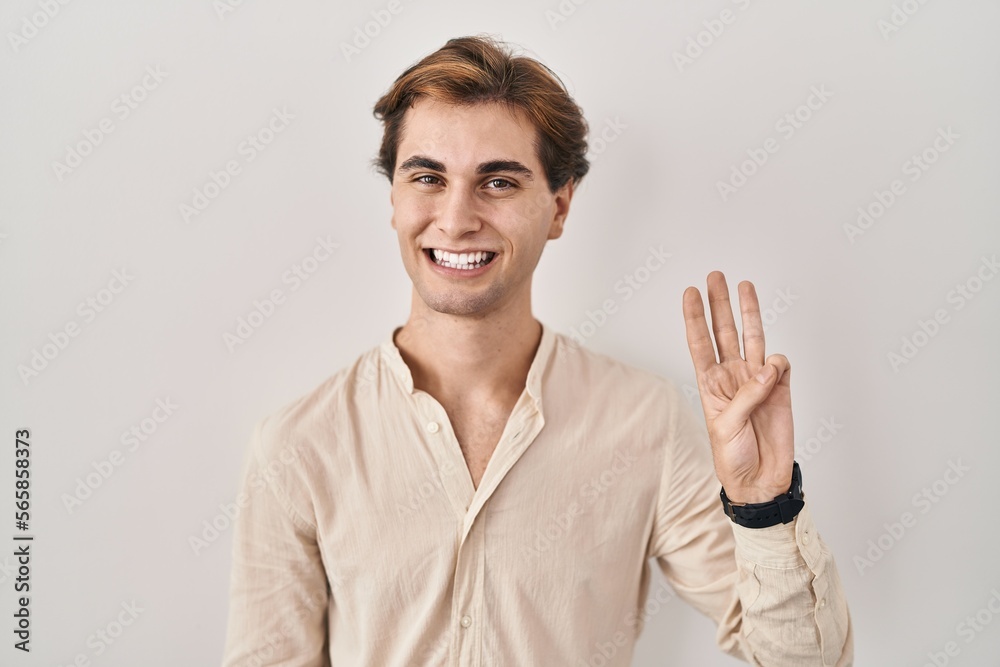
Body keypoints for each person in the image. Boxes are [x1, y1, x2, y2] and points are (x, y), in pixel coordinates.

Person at [221, 34, 853, 666]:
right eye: (428, 177)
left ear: (559, 206)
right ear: (395, 199)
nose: (456, 218)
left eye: (497, 181)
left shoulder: (645, 422)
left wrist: (764, 505)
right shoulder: (298, 446)